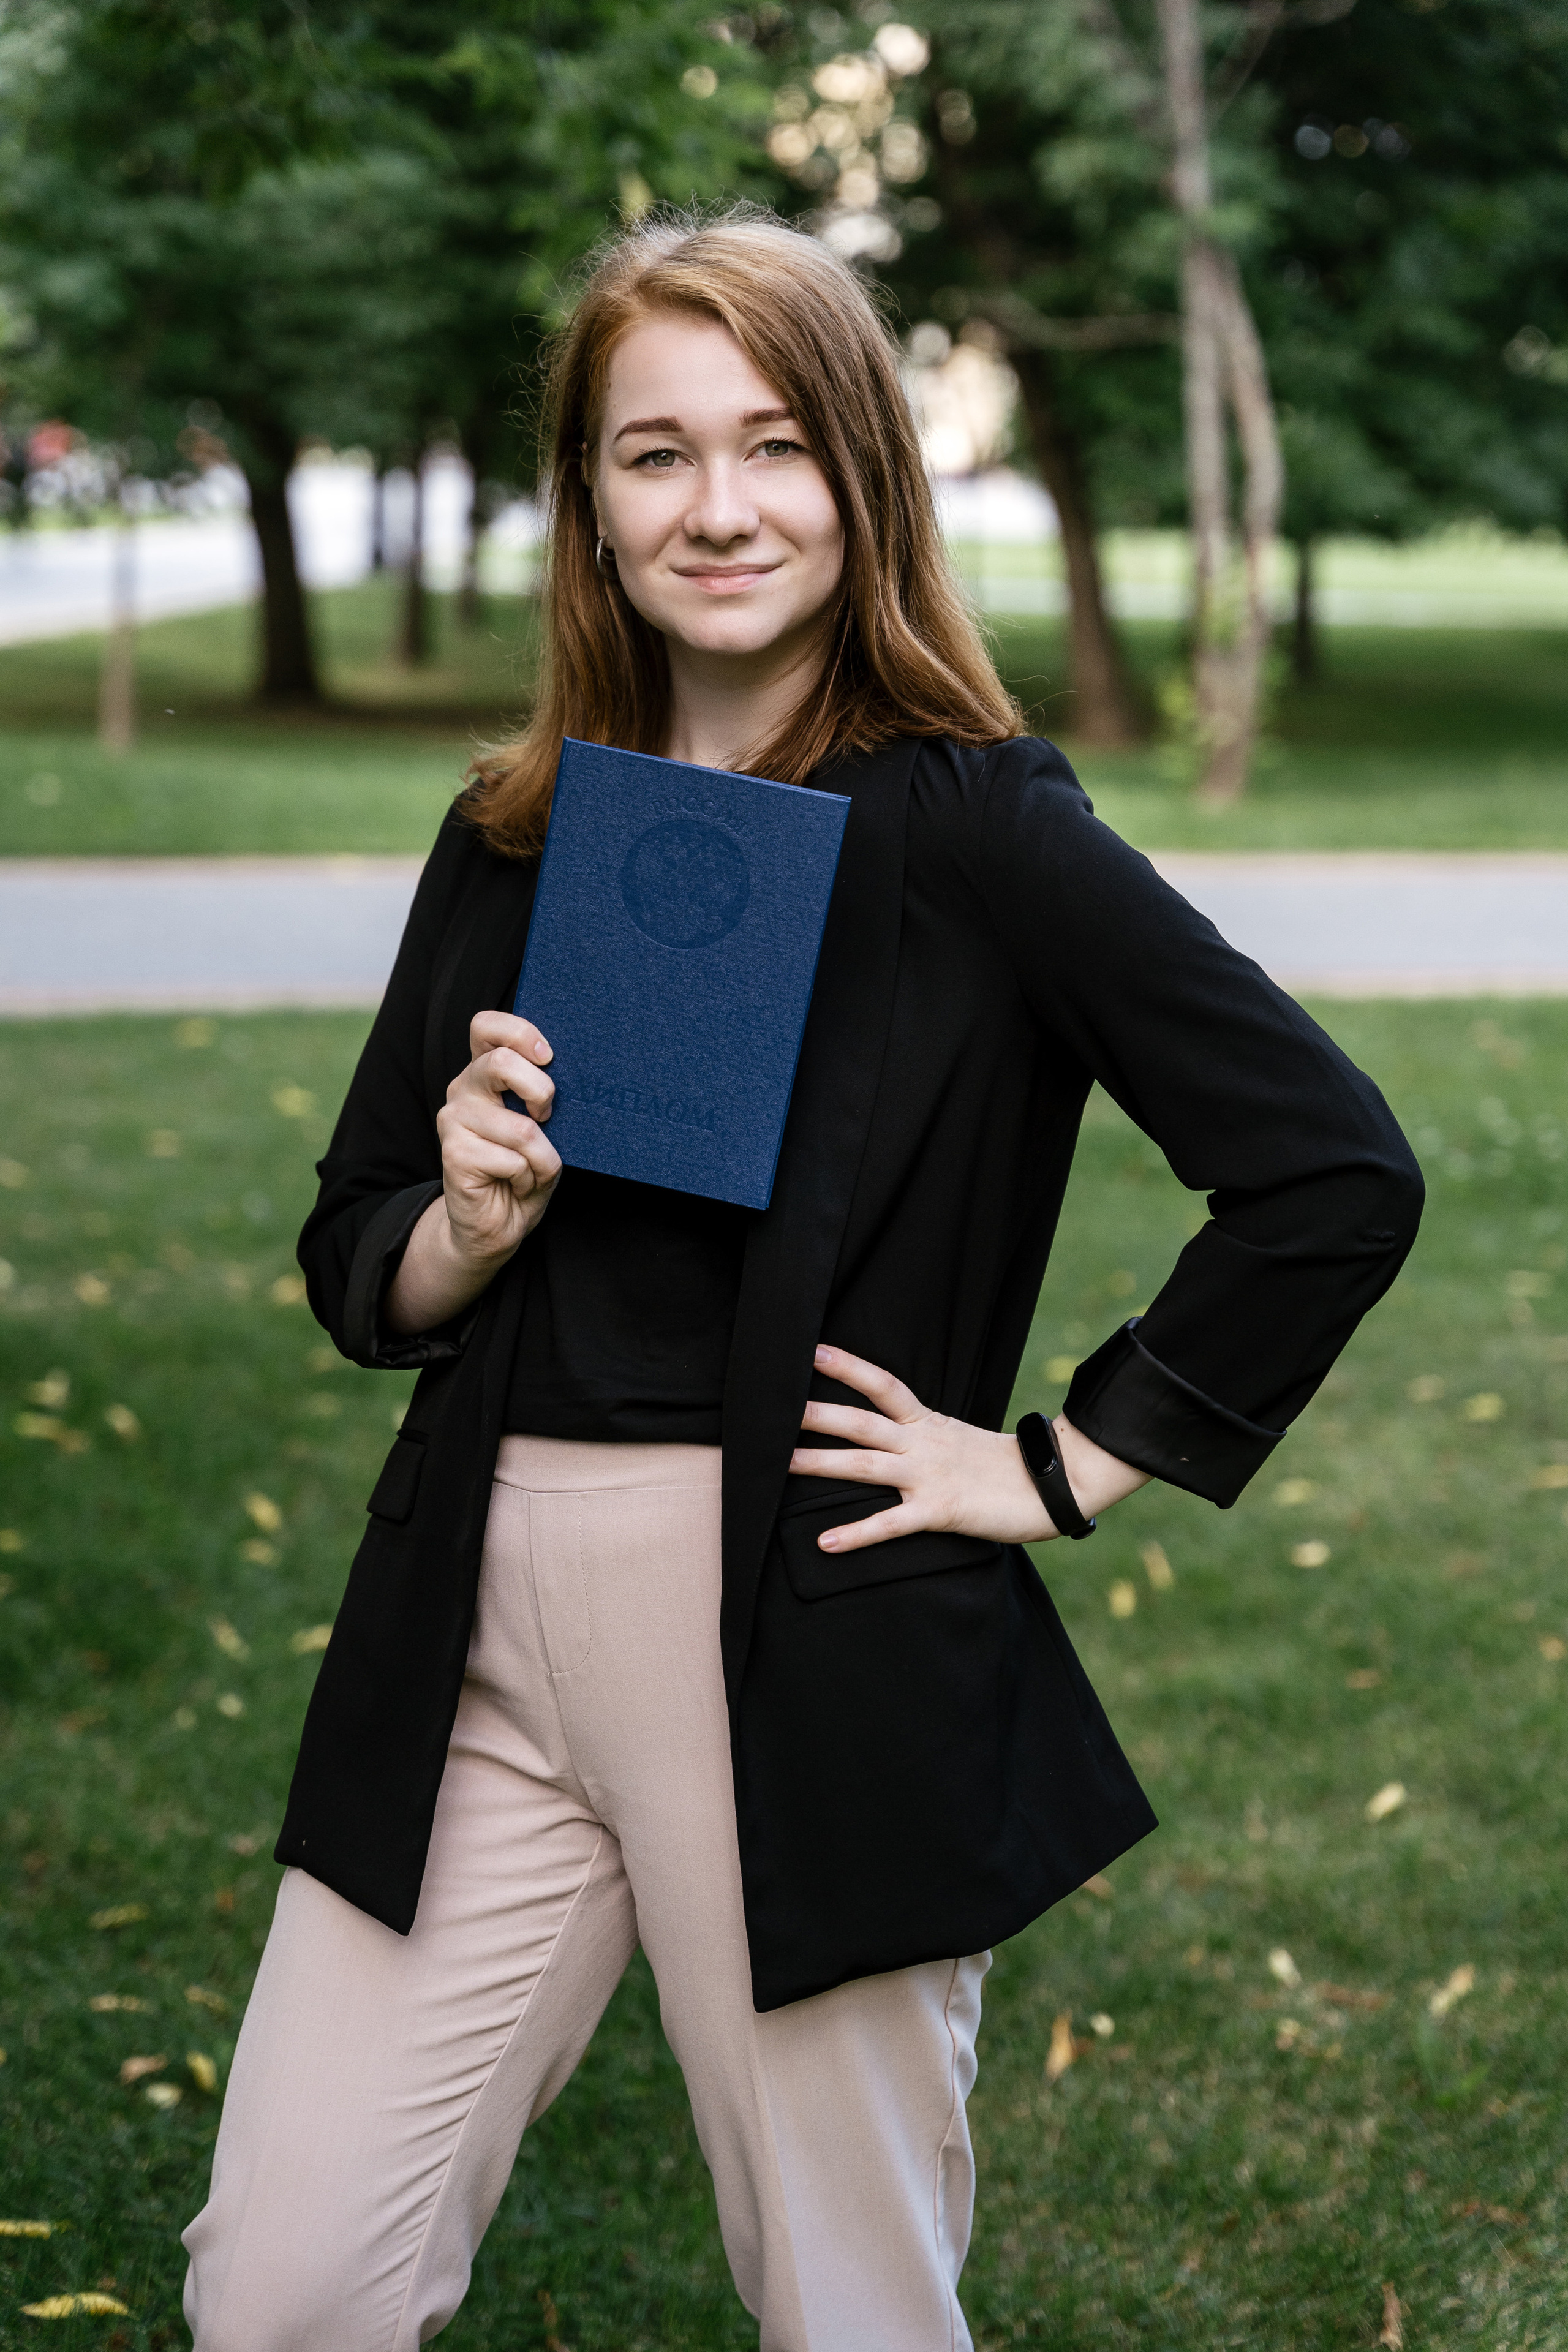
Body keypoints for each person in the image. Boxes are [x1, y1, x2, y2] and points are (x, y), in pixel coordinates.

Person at [182, 206, 1422, 2352]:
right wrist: (457, 1228)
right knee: (281, 2289)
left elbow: (1330, 1171)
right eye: (653, 454)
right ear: (588, 501)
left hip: (800, 1629)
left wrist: (1058, 1469)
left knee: (847, 2309)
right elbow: (351, 1244)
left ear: (863, 469)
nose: (719, 506)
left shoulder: (978, 829)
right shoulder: (517, 829)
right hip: (472, 1632)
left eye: (773, 443)